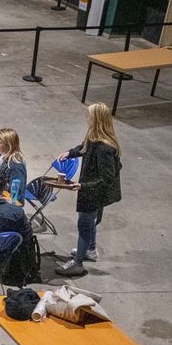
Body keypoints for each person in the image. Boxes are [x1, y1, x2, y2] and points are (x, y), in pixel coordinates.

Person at [55, 102, 122, 277]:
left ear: (97, 119)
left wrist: (84, 186)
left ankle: (78, 262)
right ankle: (90, 249)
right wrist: (71, 152)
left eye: (89, 116)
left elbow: (107, 178)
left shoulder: (104, 148)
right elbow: (84, 148)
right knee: (90, 221)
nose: (87, 118)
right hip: (91, 187)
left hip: (94, 190)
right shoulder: (93, 137)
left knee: (84, 223)